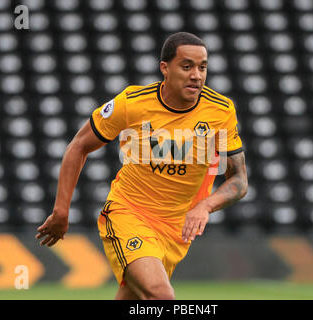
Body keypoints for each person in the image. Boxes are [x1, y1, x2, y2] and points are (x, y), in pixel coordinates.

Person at [36, 32, 248, 300]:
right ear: (165, 69)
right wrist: (61, 211)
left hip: (175, 230)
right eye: (187, 66)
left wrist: (205, 206)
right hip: (129, 214)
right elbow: (78, 146)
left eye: (202, 67)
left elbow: (239, 181)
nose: (196, 75)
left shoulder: (221, 111)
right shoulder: (133, 103)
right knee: (162, 297)